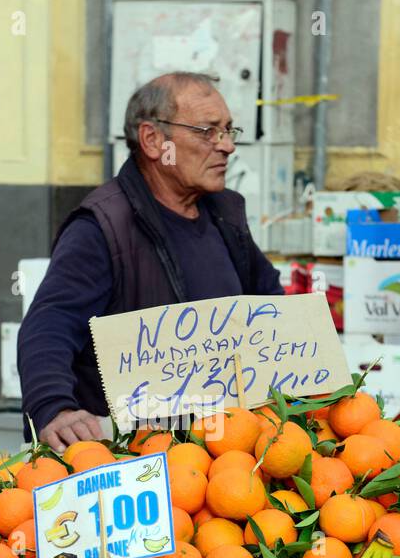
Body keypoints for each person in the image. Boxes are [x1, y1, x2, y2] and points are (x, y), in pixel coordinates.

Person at [17, 71, 283, 451]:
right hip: (134, 457)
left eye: (228, 130)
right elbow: (49, 324)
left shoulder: (226, 215)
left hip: (226, 453)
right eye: (208, 131)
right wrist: (54, 409)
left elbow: (274, 306)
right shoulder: (103, 227)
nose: (227, 146)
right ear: (154, 140)